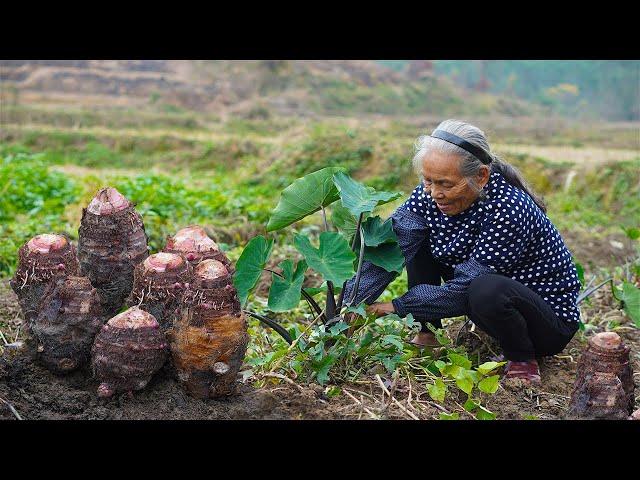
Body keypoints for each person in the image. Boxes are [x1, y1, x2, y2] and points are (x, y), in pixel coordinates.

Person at [343, 119, 581, 383]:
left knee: (484, 288)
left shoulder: (509, 208)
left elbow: (464, 290)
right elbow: (393, 247)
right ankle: (427, 334)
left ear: (481, 176)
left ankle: (523, 360)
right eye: (428, 181)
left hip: (545, 323)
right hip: (493, 313)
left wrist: (390, 307)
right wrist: (349, 303)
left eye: (445, 184)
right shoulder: (429, 194)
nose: (435, 193)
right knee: (418, 240)